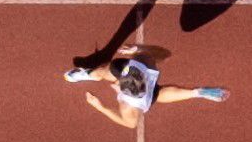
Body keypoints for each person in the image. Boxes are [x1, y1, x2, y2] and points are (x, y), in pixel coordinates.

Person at [64, 43, 226, 129]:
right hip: (147, 84)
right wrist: (139, 48)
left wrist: (100, 107)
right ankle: (196, 92)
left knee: (102, 72)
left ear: (122, 88)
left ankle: (87, 74)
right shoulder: (145, 63)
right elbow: (164, 53)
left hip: (141, 88)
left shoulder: (127, 106)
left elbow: (130, 124)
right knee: (157, 93)